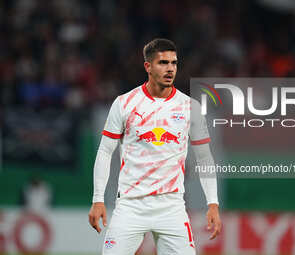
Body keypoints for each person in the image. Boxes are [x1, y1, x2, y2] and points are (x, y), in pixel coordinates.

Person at [88, 38, 221, 255]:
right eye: (163, 63)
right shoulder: (124, 103)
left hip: (172, 207)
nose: (170, 68)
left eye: (174, 63)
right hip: (131, 205)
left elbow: (204, 157)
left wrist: (212, 203)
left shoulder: (190, 107)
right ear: (148, 66)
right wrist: (97, 199)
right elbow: (105, 151)